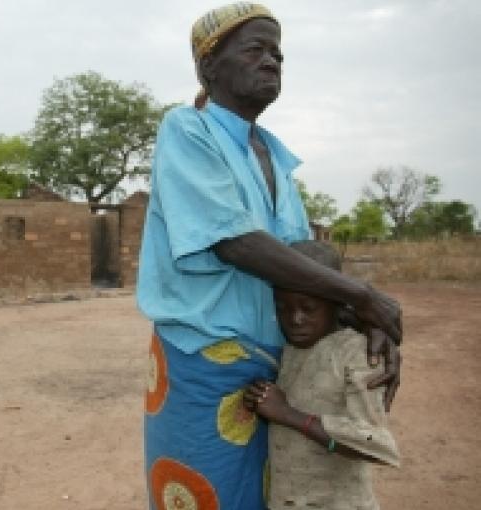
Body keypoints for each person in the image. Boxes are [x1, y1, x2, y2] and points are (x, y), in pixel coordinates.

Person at [136, 3, 402, 509]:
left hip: (283, 370)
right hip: (204, 363)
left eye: (278, 53)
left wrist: (365, 325)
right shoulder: (187, 131)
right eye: (255, 49)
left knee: (274, 495)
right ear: (208, 67)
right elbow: (232, 241)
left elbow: (308, 267)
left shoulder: (276, 156)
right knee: (205, 494)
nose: (272, 60)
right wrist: (364, 297)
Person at [244, 241, 400, 509]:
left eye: (309, 308)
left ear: (338, 304)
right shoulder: (290, 349)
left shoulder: (358, 352)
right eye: (283, 308)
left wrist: (287, 414)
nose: (296, 319)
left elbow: (376, 443)